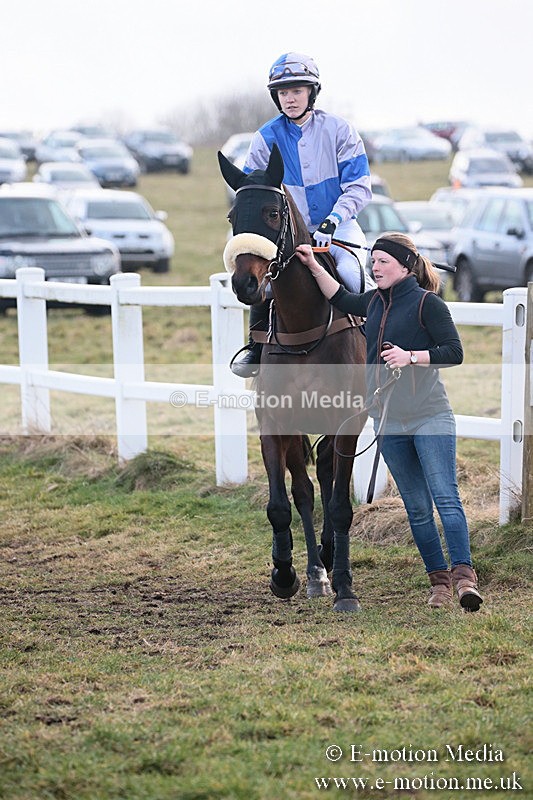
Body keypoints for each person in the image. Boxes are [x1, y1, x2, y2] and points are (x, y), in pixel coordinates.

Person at [296, 232, 483, 612]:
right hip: (389, 422)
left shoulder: (428, 304)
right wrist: (314, 266)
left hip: (430, 415)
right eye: (374, 261)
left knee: (446, 500)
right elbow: (340, 297)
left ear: (405, 265)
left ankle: (465, 579)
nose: (375, 267)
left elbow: (454, 352)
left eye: (382, 261)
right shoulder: (374, 302)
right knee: (415, 507)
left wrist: (411, 357)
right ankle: (440, 584)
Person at [231, 51, 372, 378]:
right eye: (283, 93)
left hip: (337, 228)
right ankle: (256, 346)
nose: (290, 99)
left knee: (351, 271)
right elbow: (253, 190)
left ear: (312, 92)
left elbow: (360, 186)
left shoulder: (340, 130)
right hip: (286, 232)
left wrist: (334, 219)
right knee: (262, 277)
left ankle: (371, 340)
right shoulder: (265, 137)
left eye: (296, 91)